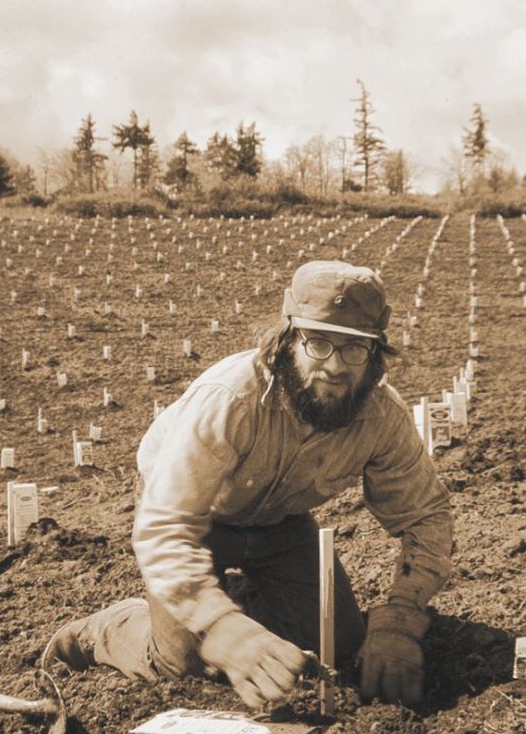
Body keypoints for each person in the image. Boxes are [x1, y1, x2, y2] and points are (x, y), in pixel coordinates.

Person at [42, 260, 453, 707]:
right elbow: (165, 524)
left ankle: (237, 601)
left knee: (340, 646)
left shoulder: (382, 417)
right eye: (318, 343)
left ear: (374, 356)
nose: (334, 366)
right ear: (288, 339)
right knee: (183, 664)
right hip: (196, 522)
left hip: (281, 524)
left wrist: (400, 620)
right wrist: (221, 628)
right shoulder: (230, 398)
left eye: (354, 349)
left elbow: (427, 518)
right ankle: (116, 627)